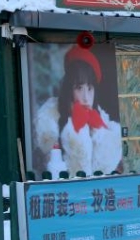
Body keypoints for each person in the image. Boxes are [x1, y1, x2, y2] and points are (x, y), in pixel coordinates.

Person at [33, 45, 122, 177]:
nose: (86, 97)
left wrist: (101, 134)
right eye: (79, 88)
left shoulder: (101, 121)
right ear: (70, 89)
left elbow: (105, 173)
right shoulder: (50, 120)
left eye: (90, 88)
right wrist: (76, 130)